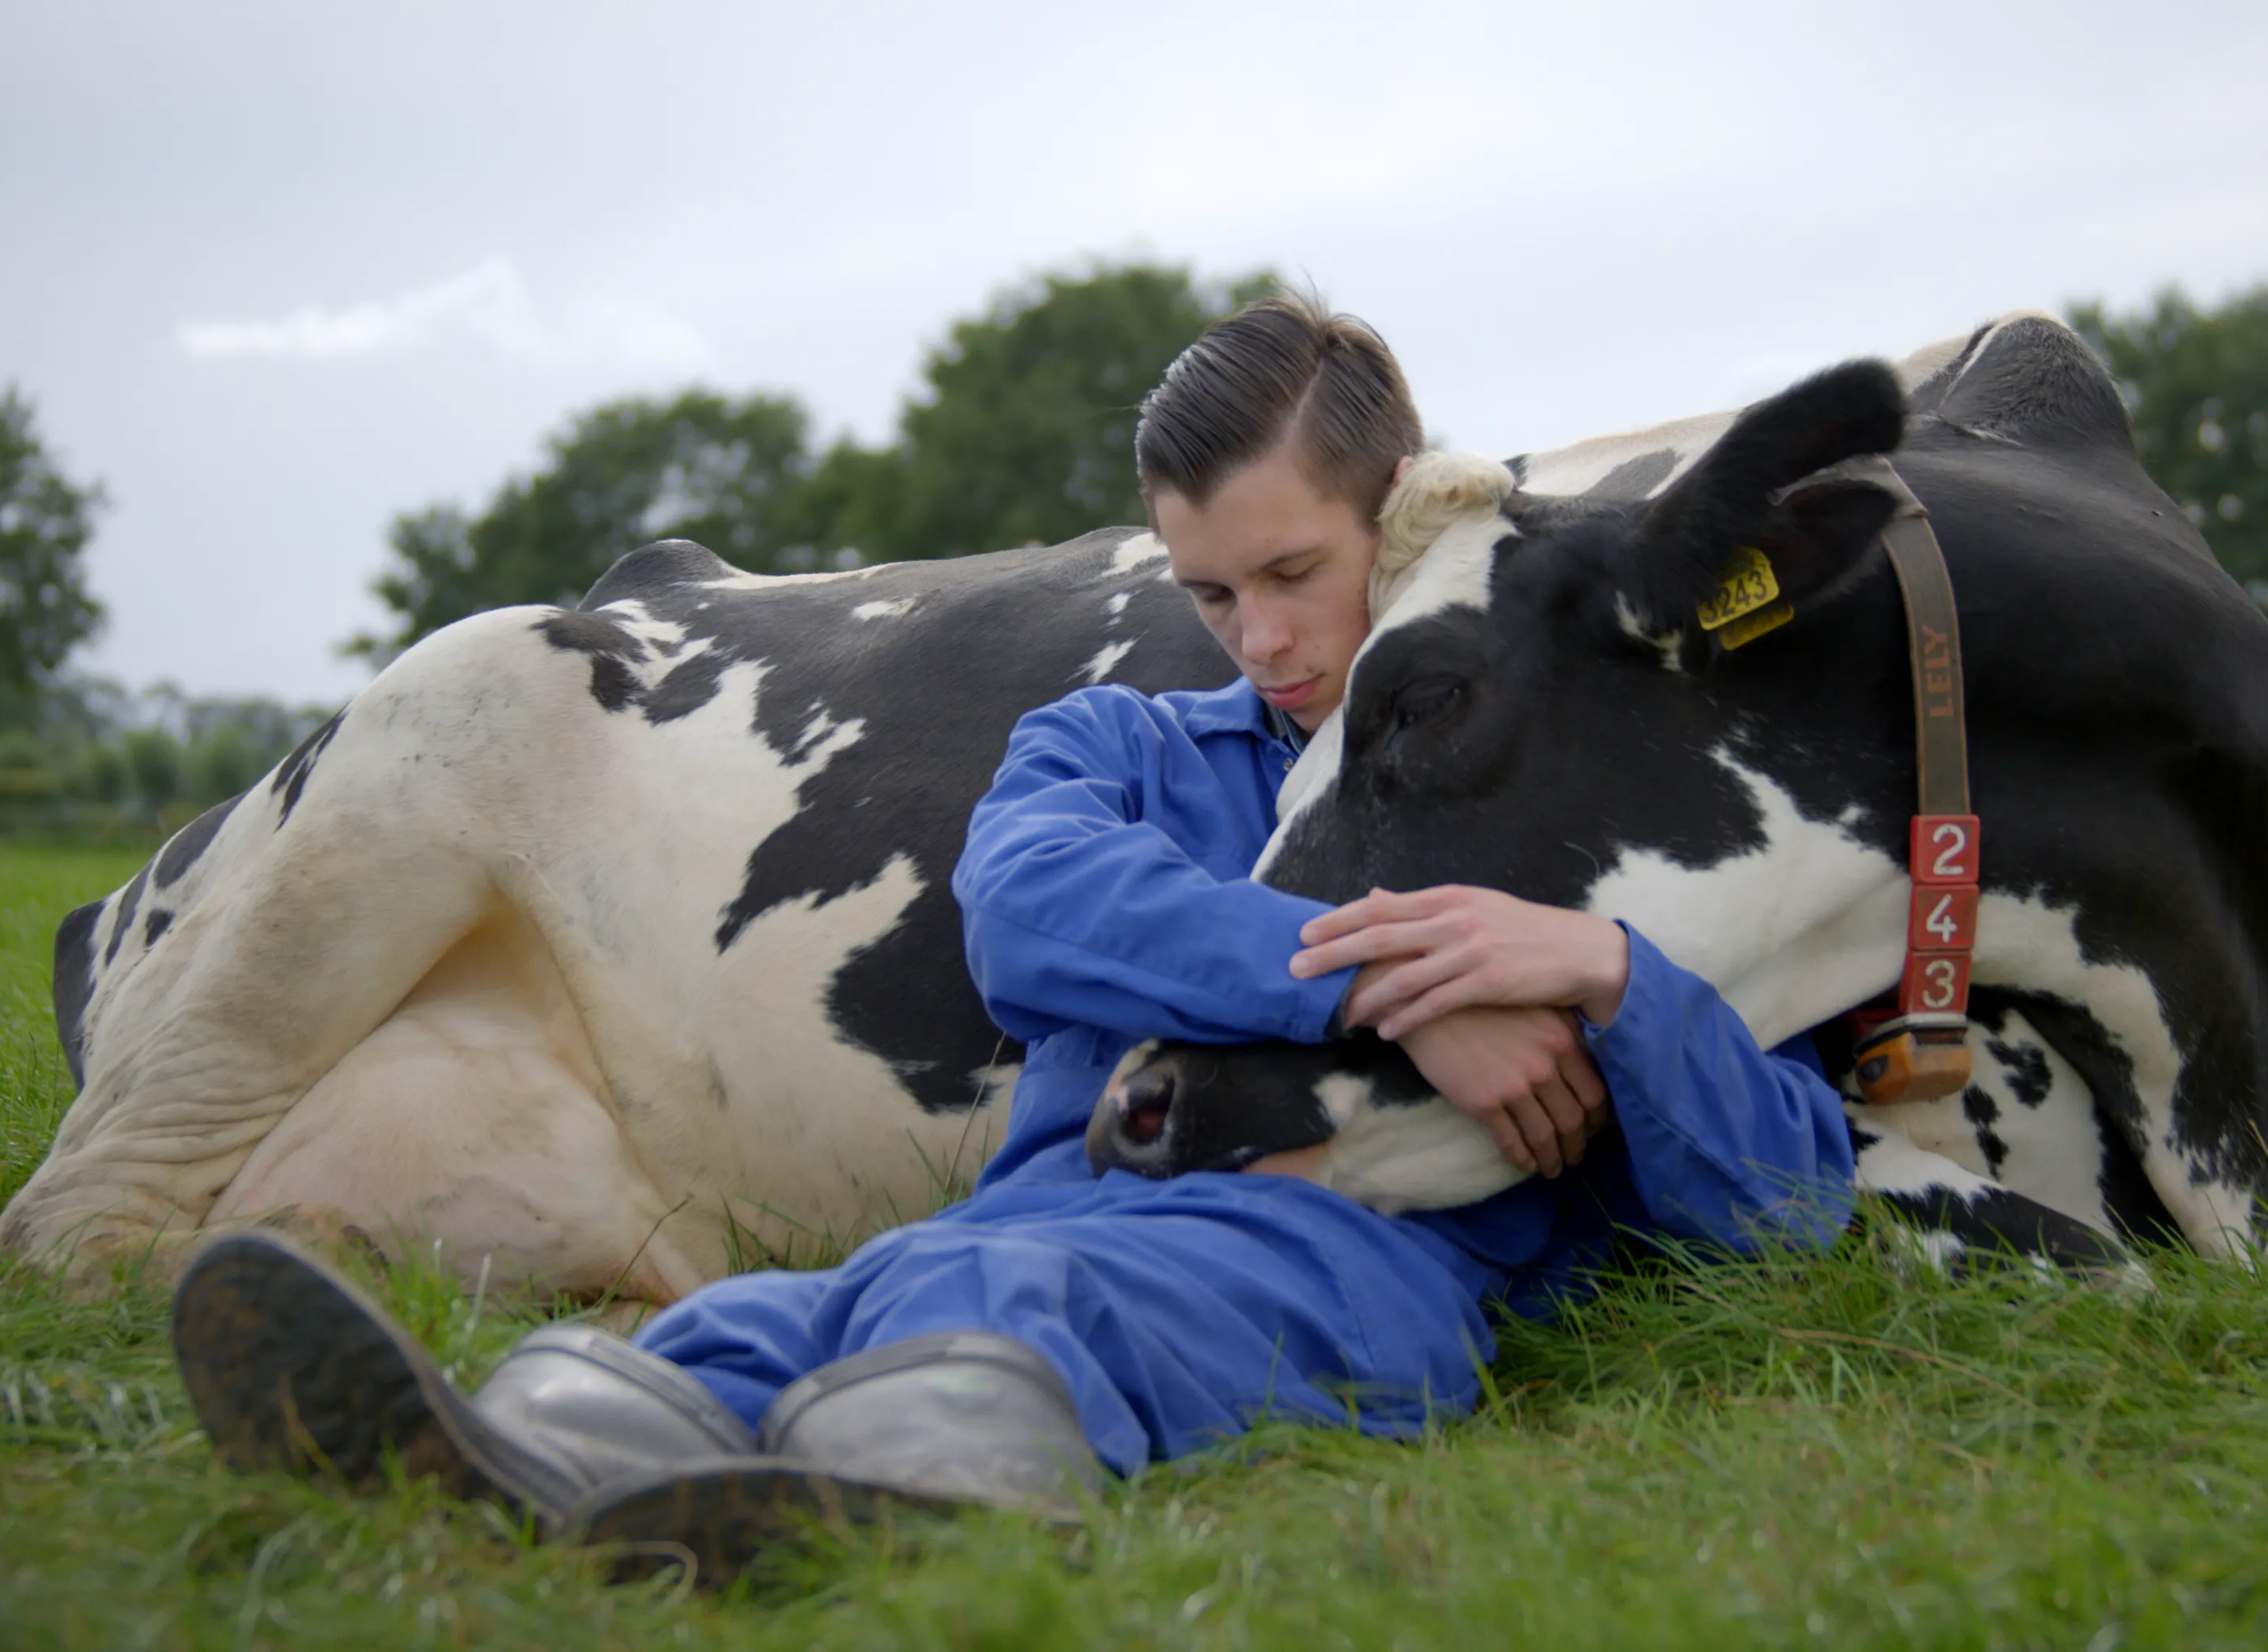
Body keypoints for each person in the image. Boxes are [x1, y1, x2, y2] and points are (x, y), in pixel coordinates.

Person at [171, 296, 1858, 1578]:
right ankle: (537, 1440)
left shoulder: (1541, 794)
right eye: (1208, 595)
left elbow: (1788, 1193)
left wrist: (1608, 980)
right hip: (1055, 1191)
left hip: (1367, 1254)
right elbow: (1029, 913)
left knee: (1017, 1301)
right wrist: (1397, 994)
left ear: (1402, 517)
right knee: (837, 1303)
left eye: (1292, 573)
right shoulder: (1120, 747)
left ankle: (886, 1473)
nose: (1258, 642)